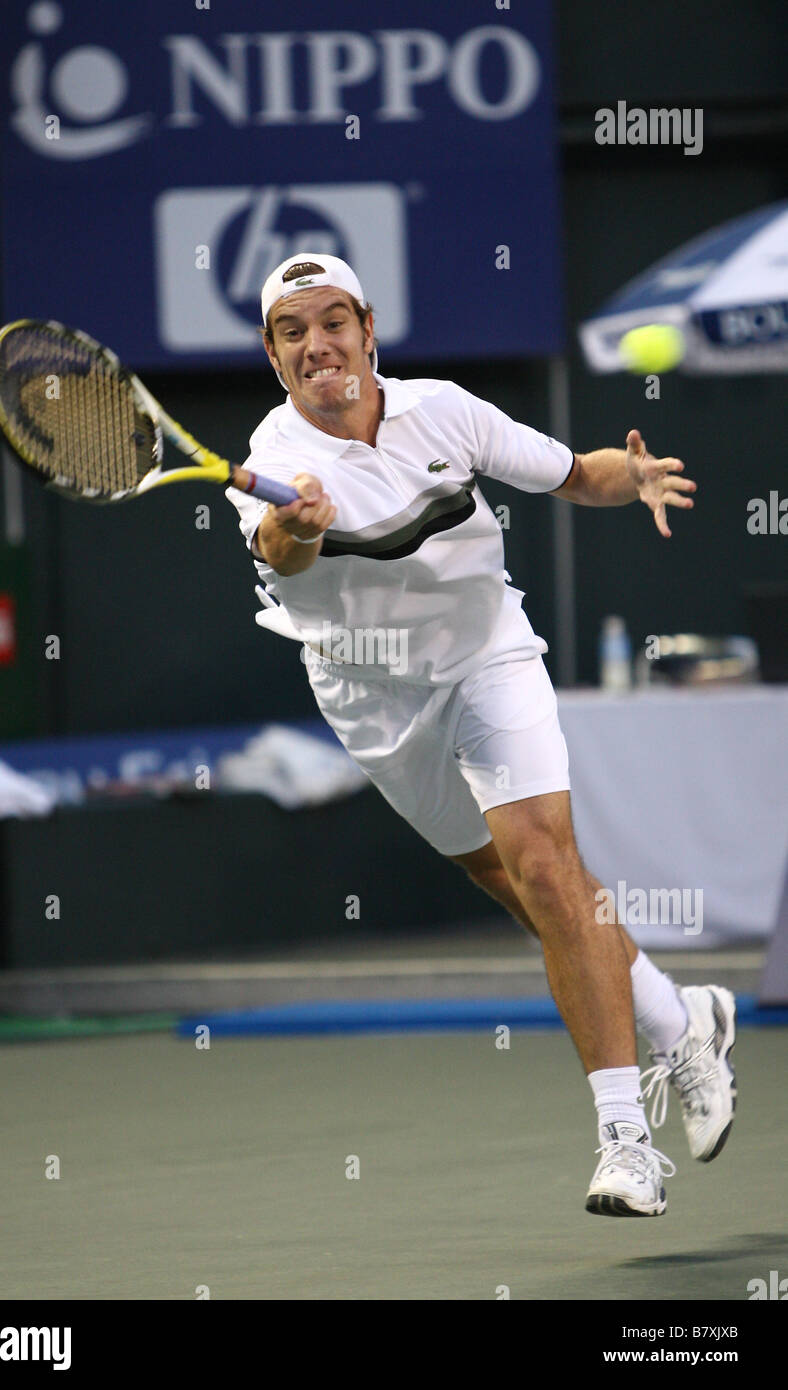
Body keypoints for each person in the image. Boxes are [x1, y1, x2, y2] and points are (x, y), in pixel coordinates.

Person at [226, 252, 737, 1217]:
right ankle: (683, 1018)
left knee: (545, 863)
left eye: (333, 321)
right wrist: (299, 523)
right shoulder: (271, 459)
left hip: (487, 657)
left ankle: (626, 1140)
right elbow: (279, 557)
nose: (318, 344)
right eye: (293, 331)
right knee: (515, 884)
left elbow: (571, 474)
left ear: (368, 329)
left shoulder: (446, 410)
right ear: (273, 352)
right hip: (372, 699)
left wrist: (627, 475)